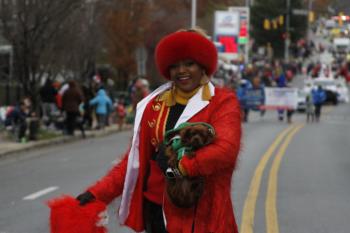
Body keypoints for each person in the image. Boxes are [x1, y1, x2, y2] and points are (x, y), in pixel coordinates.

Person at [76, 28, 242, 233]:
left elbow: (226, 151)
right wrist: (97, 193)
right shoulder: (154, 105)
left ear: (203, 66)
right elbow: (134, 162)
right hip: (155, 212)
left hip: (200, 213)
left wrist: (180, 166)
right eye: (174, 65)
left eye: (189, 63)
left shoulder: (223, 102)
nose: (181, 71)